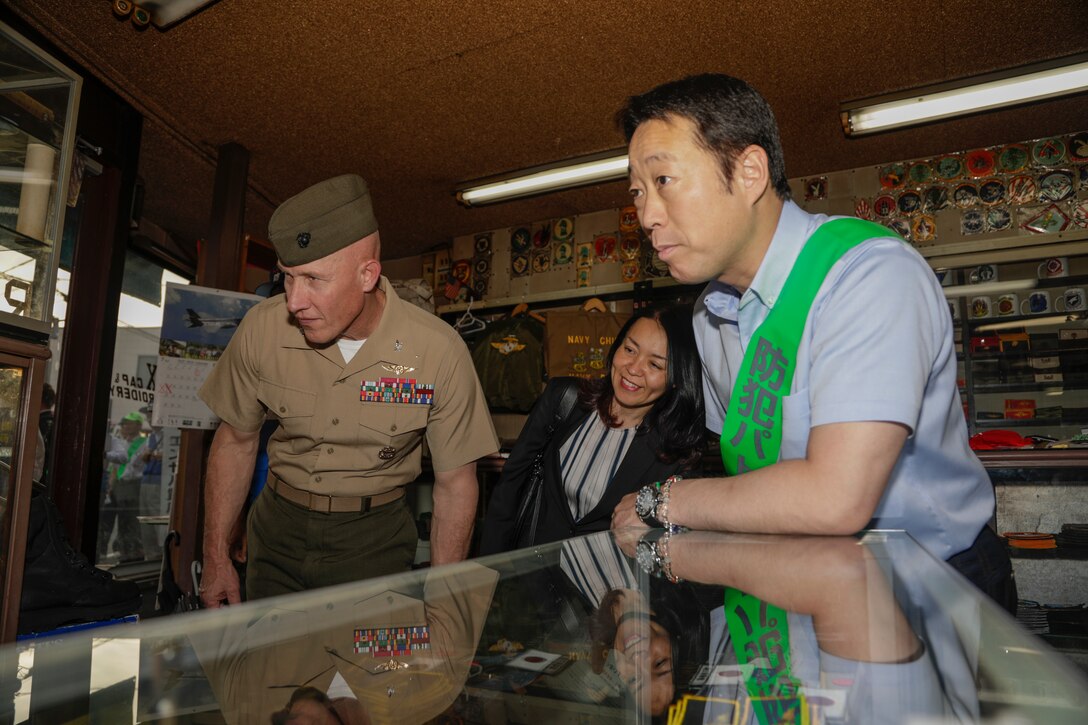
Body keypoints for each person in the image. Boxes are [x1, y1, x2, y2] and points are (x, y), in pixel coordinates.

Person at [611, 73, 1014, 610]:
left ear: (750, 171)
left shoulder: (866, 274)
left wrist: (663, 500)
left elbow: (834, 497)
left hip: (930, 581)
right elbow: (759, 477)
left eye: (663, 180)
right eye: (638, 192)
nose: (646, 215)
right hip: (803, 579)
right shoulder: (712, 317)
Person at [198, 173, 498, 607]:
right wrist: (215, 556)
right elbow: (235, 441)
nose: (294, 300)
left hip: (373, 543)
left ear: (367, 275)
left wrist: (443, 596)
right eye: (287, 277)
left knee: (367, 674)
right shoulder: (262, 329)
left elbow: (456, 485)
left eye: (314, 279)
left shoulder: (438, 352)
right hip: (276, 534)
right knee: (272, 670)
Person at [479, 305, 705, 554]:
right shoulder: (564, 400)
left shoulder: (673, 453)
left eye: (654, 365)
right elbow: (509, 488)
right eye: (629, 349)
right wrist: (487, 573)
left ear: (676, 379)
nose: (633, 368)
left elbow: (672, 545)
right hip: (532, 574)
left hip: (609, 588)